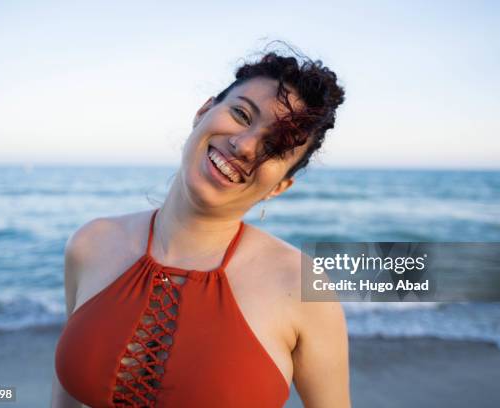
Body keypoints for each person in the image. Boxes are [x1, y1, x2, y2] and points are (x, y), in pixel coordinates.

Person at [51, 48, 350, 408]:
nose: (244, 145)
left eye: (274, 147)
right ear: (204, 111)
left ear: (279, 187)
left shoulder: (302, 285)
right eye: (241, 114)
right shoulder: (90, 243)